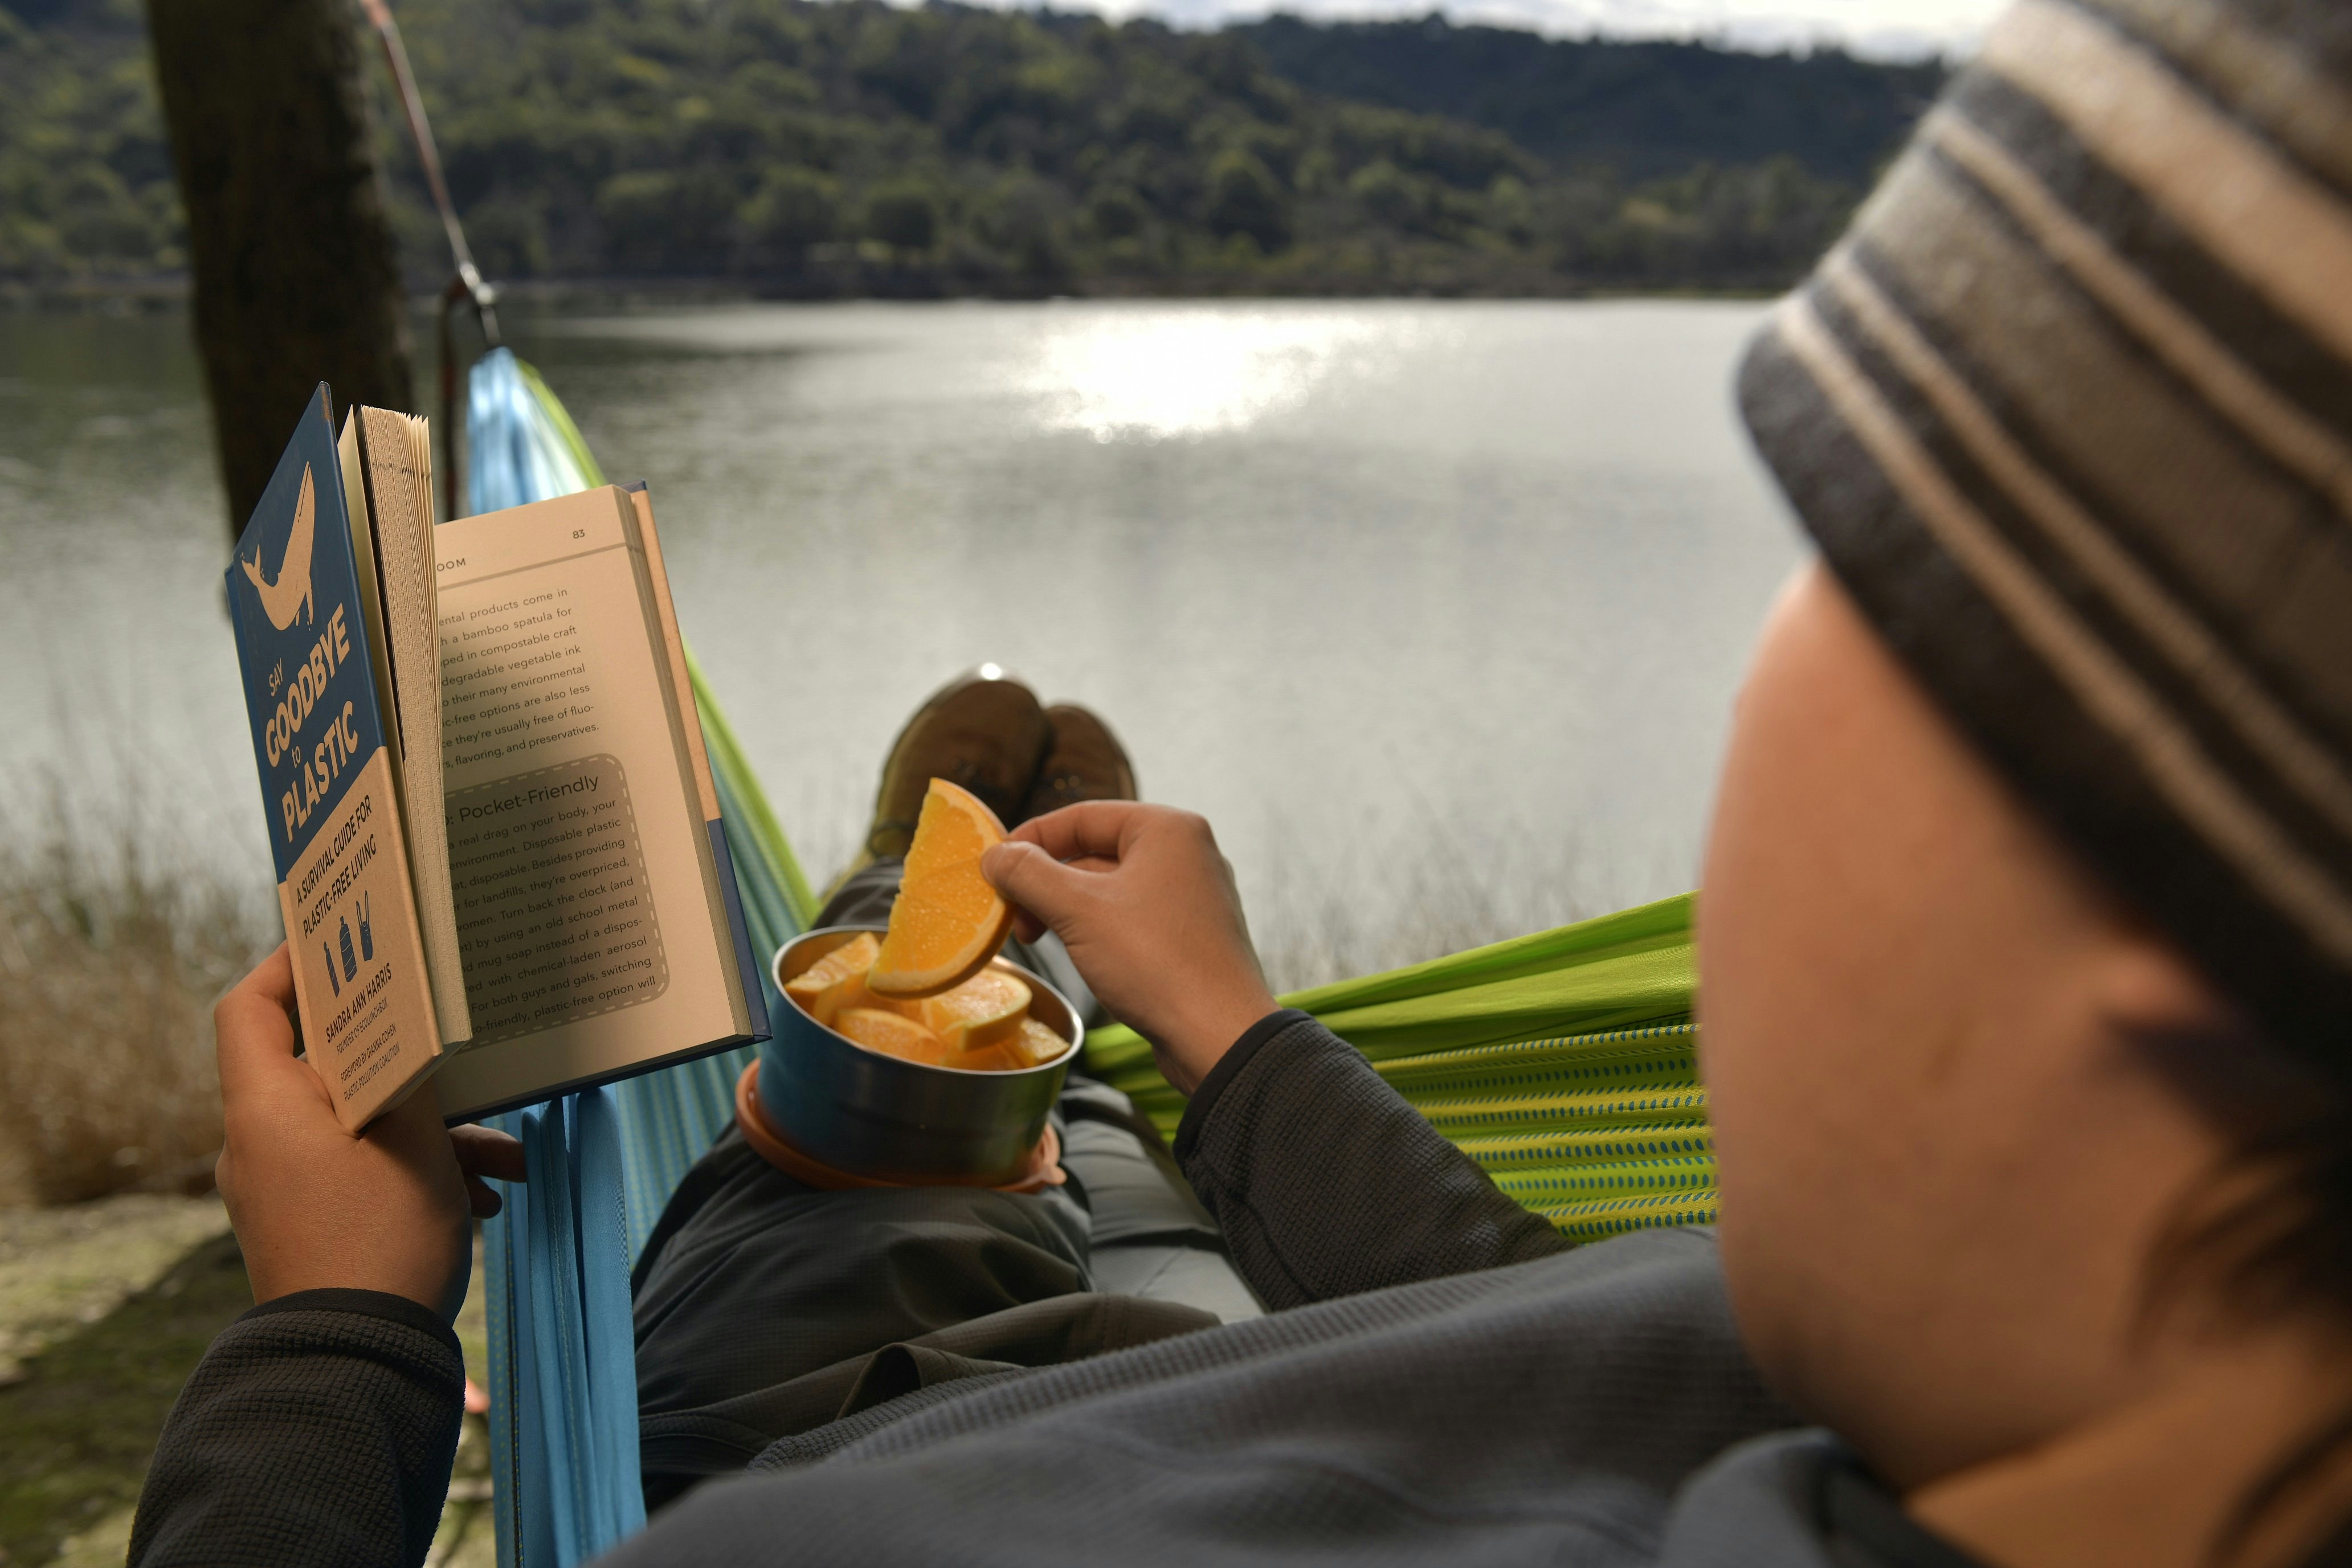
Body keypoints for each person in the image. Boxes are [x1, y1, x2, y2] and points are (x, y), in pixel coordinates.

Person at [130, 2, 2352, 1562]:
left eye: (1847, 548)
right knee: (1077, 1103)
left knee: (896, 1134)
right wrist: (1234, 1017)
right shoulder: (1836, 1365)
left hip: (840, 1371)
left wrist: (334, 1328)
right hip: (1202, 1266)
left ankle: (944, 905)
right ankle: (1020, 976)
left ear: (2158, 969)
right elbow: (1513, 1285)